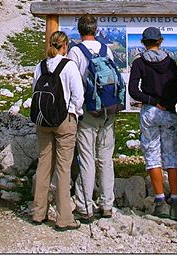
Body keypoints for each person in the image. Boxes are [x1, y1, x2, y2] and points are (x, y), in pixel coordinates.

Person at [128, 26, 177, 220]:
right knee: (171, 155)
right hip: (168, 111)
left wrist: (152, 101)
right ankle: (176, 201)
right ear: (160, 41)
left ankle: (160, 201)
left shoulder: (139, 63)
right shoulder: (170, 62)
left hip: (150, 112)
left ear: (144, 42)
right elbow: (173, 88)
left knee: (152, 154)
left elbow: (134, 91)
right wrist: (166, 103)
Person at [32, 30, 84, 231]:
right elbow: (78, 95)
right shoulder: (69, 66)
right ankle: (64, 217)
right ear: (65, 46)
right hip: (64, 119)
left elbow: (35, 90)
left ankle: (38, 212)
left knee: (44, 164)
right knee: (64, 168)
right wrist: (74, 113)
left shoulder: (41, 66)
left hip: (42, 121)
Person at [67, 13, 116, 222]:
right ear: (95, 30)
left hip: (88, 111)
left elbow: (73, 82)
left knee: (87, 157)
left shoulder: (76, 52)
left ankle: (85, 205)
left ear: (80, 30)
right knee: (106, 158)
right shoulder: (108, 50)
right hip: (108, 111)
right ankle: (106, 204)